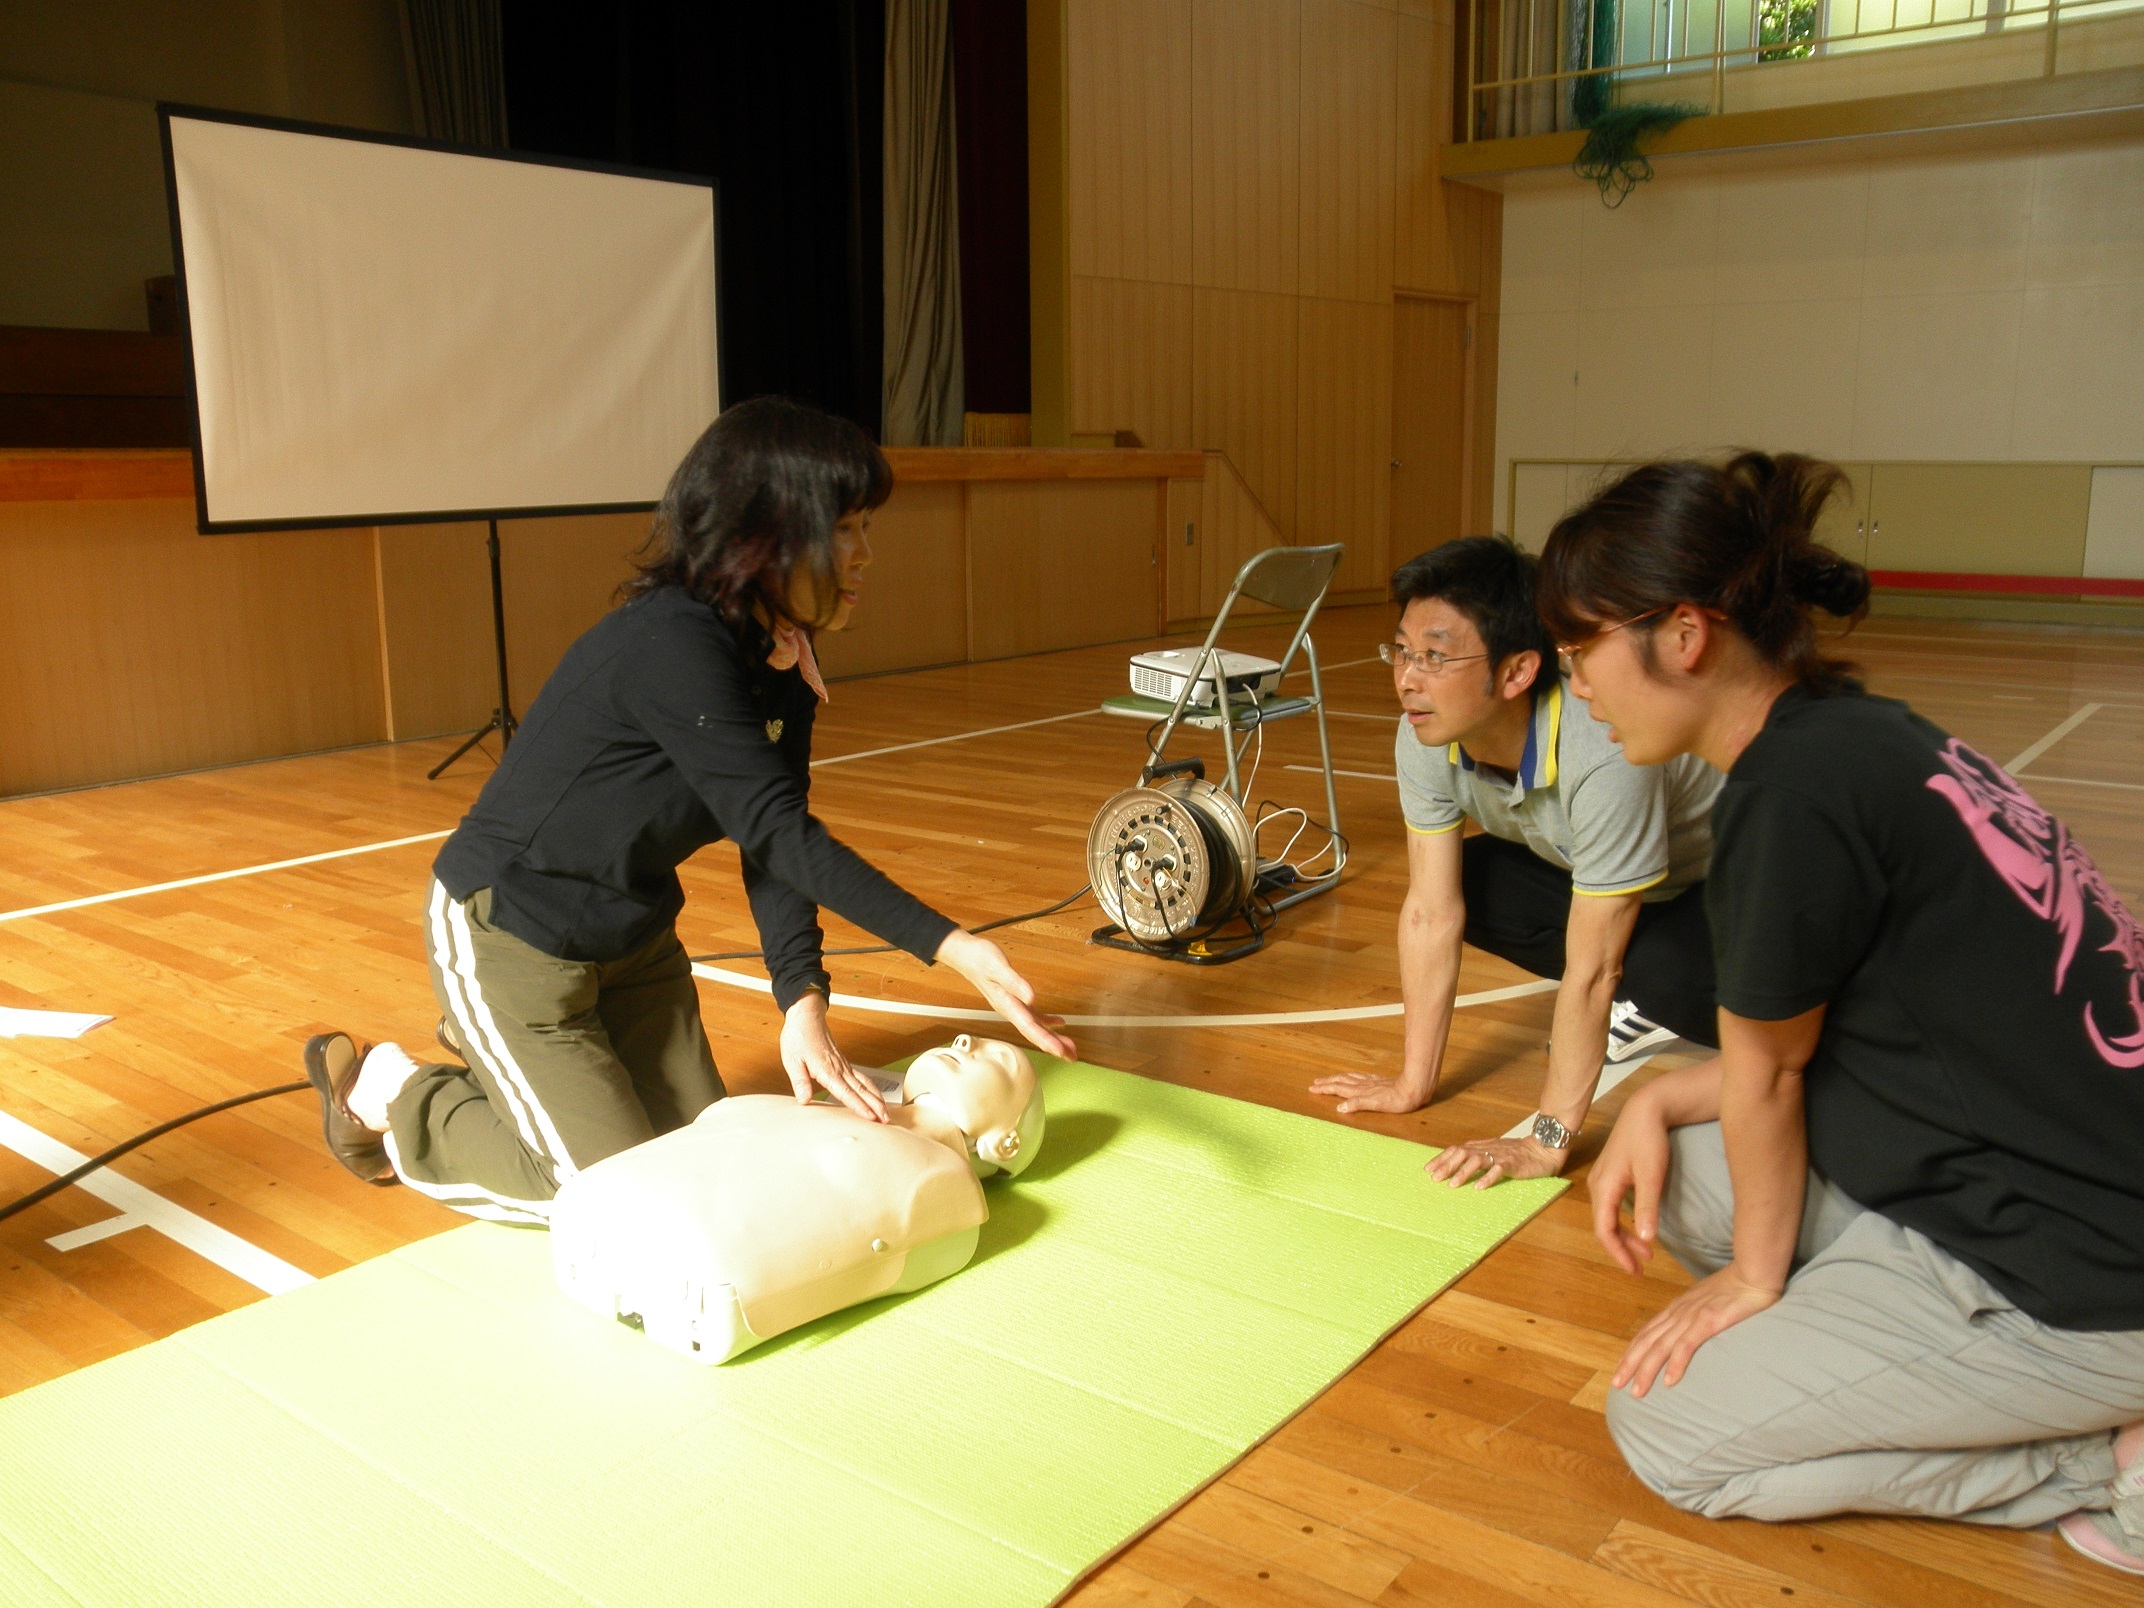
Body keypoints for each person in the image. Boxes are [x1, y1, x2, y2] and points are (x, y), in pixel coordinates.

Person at [1536, 451, 2144, 1575]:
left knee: (1668, 1436)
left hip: (2084, 1271)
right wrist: (1652, 1099)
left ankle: (2101, 1462)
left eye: (1581, 655)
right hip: (2049, 1177)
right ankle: (1898, 1352)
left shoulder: (1787, 799)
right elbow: (1804, 1049)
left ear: (1683, 635)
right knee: (1685, 1174)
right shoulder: (1854, 734)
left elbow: (1772, 1074)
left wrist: (1754, 1281)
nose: (1577, 690)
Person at [302, 396, 1075, 1225]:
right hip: (511, 934)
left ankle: (501, 1054)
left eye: (865, 527)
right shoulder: (672, 641)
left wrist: (802, 1001)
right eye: (845, 529)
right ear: (769, 536)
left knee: (706, 1163)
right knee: (614, 1203)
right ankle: (394, 1094)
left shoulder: (781, 654)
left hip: (634, 944)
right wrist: (952, 945)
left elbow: (771, 842)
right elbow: (780, 831)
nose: (865, 554)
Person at [1310, 537, 1724, 1190]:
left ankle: (1684, 1009)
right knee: (1471, 883)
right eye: (1403, 651)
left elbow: (1595, 969)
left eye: (1435, 657)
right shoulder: (1425, 731)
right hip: (1601, 876)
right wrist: (1412, 1082)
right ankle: (1633, 990)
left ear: (1516, 672)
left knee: (1649, 972)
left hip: (1718, 889)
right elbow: (1430, 911)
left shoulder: (1604, 748)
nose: (1407, 678)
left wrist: (1547, 1139)